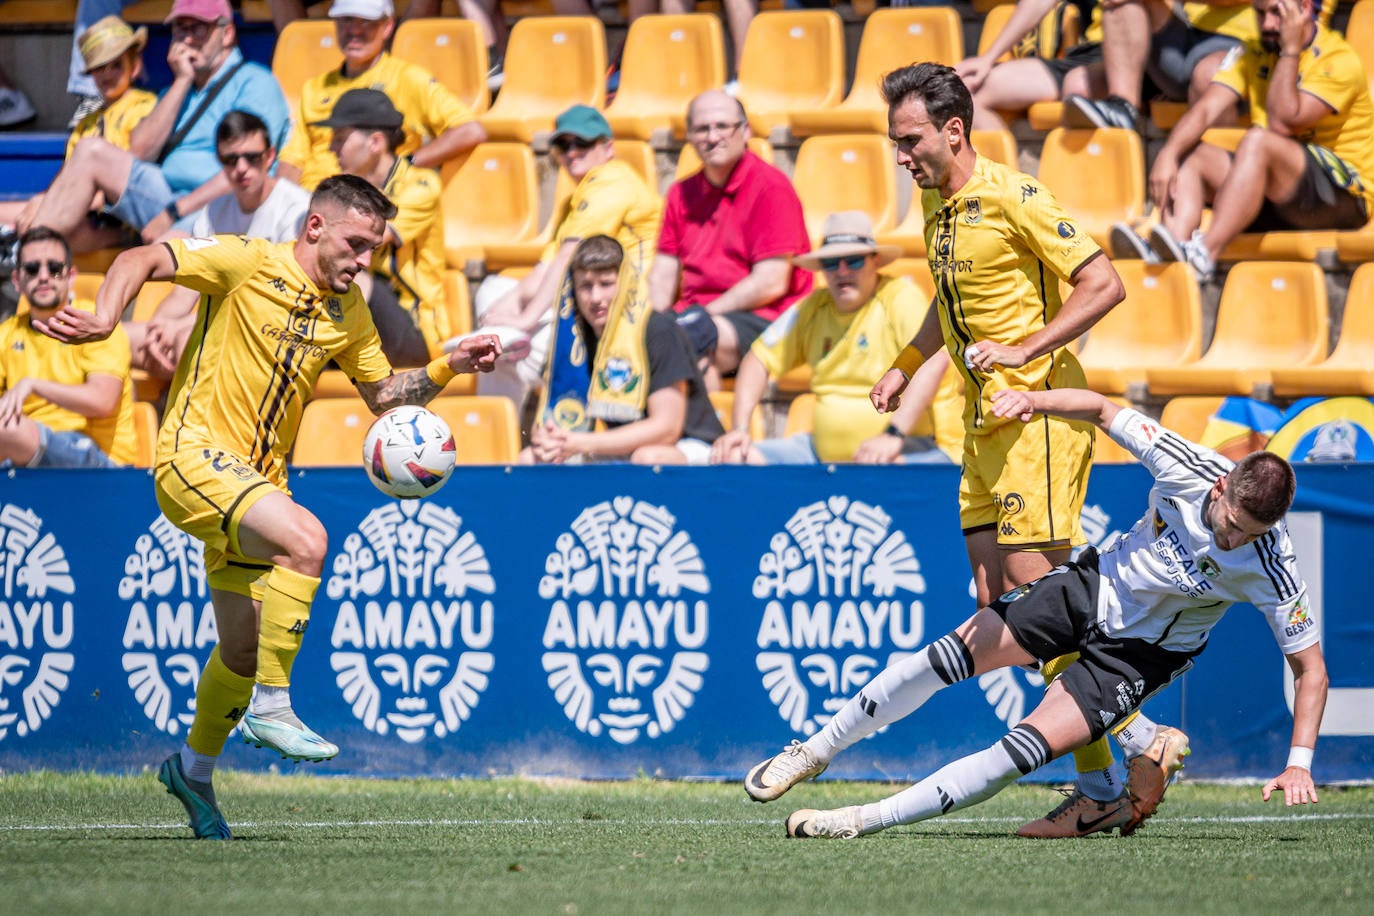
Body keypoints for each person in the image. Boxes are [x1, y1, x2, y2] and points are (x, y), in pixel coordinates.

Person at [37, 174, 501, 840]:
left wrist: (449, 364)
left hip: (254, 487)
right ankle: (274, 709)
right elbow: (142, 257)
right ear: (316, 227)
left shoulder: (349, 312)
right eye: (358, 244)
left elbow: (386, 400)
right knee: (308, 541)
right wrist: (109, 316)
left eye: (374, 248)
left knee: (243, 652)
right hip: (190, 459)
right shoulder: (246, 261)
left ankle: (192, 771)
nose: (365, 260)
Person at [746, 387, 1328, 840]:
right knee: (946, 658)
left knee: (1016, 753)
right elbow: (1101, 409)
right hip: (1092, 585)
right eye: (1230, 524)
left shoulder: (1273, 561)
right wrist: (1033, 401)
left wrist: (1299, 763)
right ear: (1221, 486)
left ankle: (860, 819)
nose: (1231, 542)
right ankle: (812, 751)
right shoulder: (1187, 465)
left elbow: (1312, 670)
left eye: (1249, 535)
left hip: (1137, 658)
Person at [866, 63, 1189, 839]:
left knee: (1034, 602)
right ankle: (1125, 756)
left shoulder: (1017, 195)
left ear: (954, 130)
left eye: (909, 141)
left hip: (1037, 419)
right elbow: (954, 311)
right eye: (893, 143)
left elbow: (1104, 284)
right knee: (995, 608)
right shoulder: (937, 205)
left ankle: (1115, 769)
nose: (900, 156)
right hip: (982, 427)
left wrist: (1024, 348)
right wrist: (908, 364)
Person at [1109, 0, 1374, 282]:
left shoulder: (1338, 60)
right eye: (1260, 14)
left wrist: (1291, 50)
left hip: (1344, 199)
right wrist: (1169, 154)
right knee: (1193, 156)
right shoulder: (1252, 51)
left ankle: (1205, 253)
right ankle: (1173, 246)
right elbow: (1207, 108)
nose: (1268, 25)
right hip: (1280, 196)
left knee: (1258, 142)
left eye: (1276, 13)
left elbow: (1282, 123)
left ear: (1305, 9)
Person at [21, 0, 291, 253]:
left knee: (162, 247)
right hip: (167, 197)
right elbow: (139, 151)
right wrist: (182, 80)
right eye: (179, 28)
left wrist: (172, 213)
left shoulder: (255, 82)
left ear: (227, 33)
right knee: (90, 150)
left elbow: (246, 168)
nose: (186, 39)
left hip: (224, 207)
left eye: (198, 28)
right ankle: (32, 260)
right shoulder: (180, 90)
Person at [710, 211, 959, 466]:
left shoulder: (899, 297)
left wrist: (892, 435)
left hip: (908, 447)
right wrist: (739, 429)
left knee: (888, 468)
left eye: (853, 260)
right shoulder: (814, 306)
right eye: (831, 262)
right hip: (819, 452)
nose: (842, 271)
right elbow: (757, 359)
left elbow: (933, 363)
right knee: (735, 457)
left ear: (874, 261)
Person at [470, 104, 662, 415]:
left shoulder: (612, 180)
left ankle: (511, 399)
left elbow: (568, 256)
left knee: (498, 346)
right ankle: (504, 409)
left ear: (608, 147)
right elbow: (546, 268)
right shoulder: (576, 198)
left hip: (626, 309)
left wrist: (524, 319)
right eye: (563, 145)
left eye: (582, 143)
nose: (572, 152)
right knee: (494, 291)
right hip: (591, 303)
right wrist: (510, 303)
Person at [126, 109, 311, 382]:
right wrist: (159, 326)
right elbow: (185, 291)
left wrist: (181, 326)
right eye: (230, 159)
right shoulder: (213, 212)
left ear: (270, 156)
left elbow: (272, 300)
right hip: (213, 325)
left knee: (184, 341)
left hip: (271, 330)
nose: (241, 168)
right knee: (115, 342)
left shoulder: (296, 209)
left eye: (252, 157)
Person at [649, 89, 812, 387]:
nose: (712, 137)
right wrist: (652, 324)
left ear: (745, 130)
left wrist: (702, 315)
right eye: (702, 129)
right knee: (669, 342)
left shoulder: (771, 187)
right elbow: (662, 274)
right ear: (689, 136)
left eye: (722, 126)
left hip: (767, 317)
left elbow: (771, 282)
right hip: (702, 321)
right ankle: (698, 432)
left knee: (693, 337)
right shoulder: (680, 193)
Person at [521, 235, 723, 465]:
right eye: (585, 287)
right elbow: (551, 416)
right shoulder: (574, 338)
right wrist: (550, 439)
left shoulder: (658, 330)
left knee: (647, 458)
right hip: (624, 448)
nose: (596, 298)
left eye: (606, 284)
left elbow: (667, 428)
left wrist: (581, 443)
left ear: (625, 283)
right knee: (532, 459)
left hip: (690, 447)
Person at [276, 0, 488, 193]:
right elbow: (292, 161)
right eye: (346, 20)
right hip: (312, 201)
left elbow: (470, 130)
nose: (354, 30)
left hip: (370, 200)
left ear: (387, 26)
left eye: (366, 22)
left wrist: (404, 165)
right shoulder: (314, 87)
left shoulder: (408, 79)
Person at [314, 89, 447, 368]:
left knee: (346, 280)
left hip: (415, 329)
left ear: (375, 142)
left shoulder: (421, 186)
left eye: (340, 139)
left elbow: (365, 240)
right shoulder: (347, 191)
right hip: (362, 318)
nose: (331, 148)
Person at [0, 15, 156, 231]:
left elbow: (131, 181)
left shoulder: (144, 108)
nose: (107, 74)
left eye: (116, 65)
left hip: (119, 219)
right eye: (99, 66)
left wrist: (46, 205)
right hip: (84, 213)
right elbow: (66, 176)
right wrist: (43, 201)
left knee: (38, 224)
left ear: (135, 66)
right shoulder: (87, 120)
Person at [0, 227, 136, 468]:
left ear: (71, 276)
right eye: (32, 269)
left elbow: (101, 401)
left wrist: (32, 385)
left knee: (9, 429)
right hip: (24, 452)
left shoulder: (97, 325)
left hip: (102, 464)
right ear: (17, 281)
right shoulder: (6, 333)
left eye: (54, 269)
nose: (43, 276)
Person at [1063, 0, 1255, 130]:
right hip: (1181, 37)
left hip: (1237, 41)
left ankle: (1205, 173)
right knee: (1077, 86)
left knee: (1208, 77)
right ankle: (1122, 106)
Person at [957, 0, 1106, 134]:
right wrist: (988, 58)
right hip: (1083, 55)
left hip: (1117, 57)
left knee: (1077, 86)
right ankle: (1003, 164)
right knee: (966, 90)